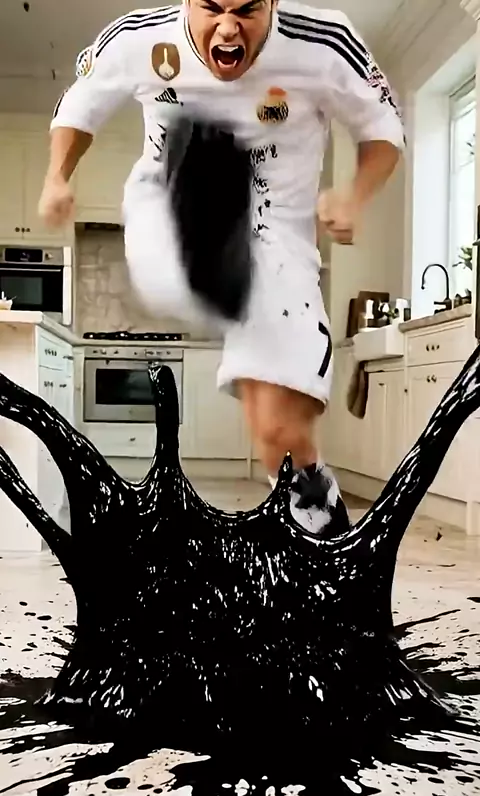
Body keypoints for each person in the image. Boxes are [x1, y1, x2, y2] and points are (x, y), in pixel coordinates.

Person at [39, 0, 404, 536]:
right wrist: (56, 177)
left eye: (247, 11)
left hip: (275, 234)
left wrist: (355, 195)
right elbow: (79, 106)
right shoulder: (139, 36)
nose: (228, 28)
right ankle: (210, 217)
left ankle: (316, 509)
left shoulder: (323, 40)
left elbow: (384, 127)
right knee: (179, 270)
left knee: (275, 429)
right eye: (212, 9)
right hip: (171, 214)